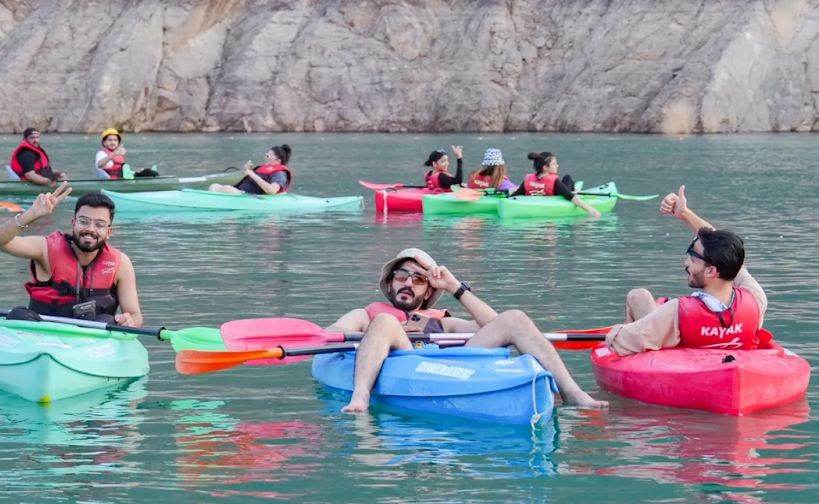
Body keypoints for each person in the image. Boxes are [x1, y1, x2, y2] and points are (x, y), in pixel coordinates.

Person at [328, 247, 607, 413]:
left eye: (418, 279)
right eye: (401, 276)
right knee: (386, 323)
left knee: (516, 318)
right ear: (390, 284)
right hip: (401, 360)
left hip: (446, 366)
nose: (408, 283)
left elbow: (497, 325)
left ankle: (571, 392)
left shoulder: (442, 321)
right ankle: (361, 397)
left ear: (427, 292)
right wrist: (381, 334)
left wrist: (454, 287)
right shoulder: (367, 315)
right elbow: (330, 336)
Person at [602, 185, 767, 355]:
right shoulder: (755, 299)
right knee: (639, 297)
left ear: (711, 271)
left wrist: (619, 331)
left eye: (692, 258)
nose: (686, 263)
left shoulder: (677, 312)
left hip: (685, 375)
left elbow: (621, 341)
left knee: (636, 297)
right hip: (737, 368)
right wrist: (684, 214)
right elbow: (731, 253)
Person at [0, 186, 144, 326]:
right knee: (18, 314)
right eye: (84, 221)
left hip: (93, 340)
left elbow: (135, 315)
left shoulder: (121, 263)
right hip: (42, 334)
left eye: (100, 225)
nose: (90, 229)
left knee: (108, 321)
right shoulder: (45, 249)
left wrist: (129, 321)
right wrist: (30, 215)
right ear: (73, 223)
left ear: (109, 232)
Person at [511, 151, 600, 217]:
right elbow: (571, 197)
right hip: (561, 194)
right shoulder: (555, 182)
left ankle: (576, 189)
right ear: (545, 167)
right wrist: (591, 210)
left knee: (567, 179)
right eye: (554, 164)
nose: (557, 166)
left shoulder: (528, 179)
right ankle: (576, 189)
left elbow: (516, 195)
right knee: (567, 178)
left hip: (557, 194)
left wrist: (507, 195)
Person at [209, 144, 292, 194]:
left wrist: (253, 176)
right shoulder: (263, 167)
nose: (265, 157)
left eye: (268, 156)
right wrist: (248, 170)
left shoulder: (280, 174)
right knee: (214, 186)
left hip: (254, 196)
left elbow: (272, 190)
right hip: (243, 192)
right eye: (265, 155)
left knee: (226, 189)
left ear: (278, 161)